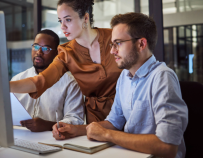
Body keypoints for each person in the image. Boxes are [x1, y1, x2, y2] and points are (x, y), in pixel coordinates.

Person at [52, 13, 188, 158]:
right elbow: (114, 121)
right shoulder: (124, 76)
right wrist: (77, 130)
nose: (112, 51)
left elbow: (167, 146)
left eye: (118, 43)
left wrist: (107, 134)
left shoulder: (162, 77)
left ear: (141, 44)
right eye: (112, 44)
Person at [10, 0, 122, 124]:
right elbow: (40, 81)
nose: (62, 27)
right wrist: (4, 86)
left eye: (68, 20)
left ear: (85, 18)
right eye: (60, 21)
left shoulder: (114, 38)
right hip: (96, 120)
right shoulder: (66, 52)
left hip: (127, 112)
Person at [11, 29, 84, 132]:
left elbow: (76, 120)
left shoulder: (70, 83)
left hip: (53, 140)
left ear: (56, 53)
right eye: (36, 46)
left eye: (46, 49)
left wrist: (48, 125)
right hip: (19, 136)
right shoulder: (18, 79)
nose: (39, 52)